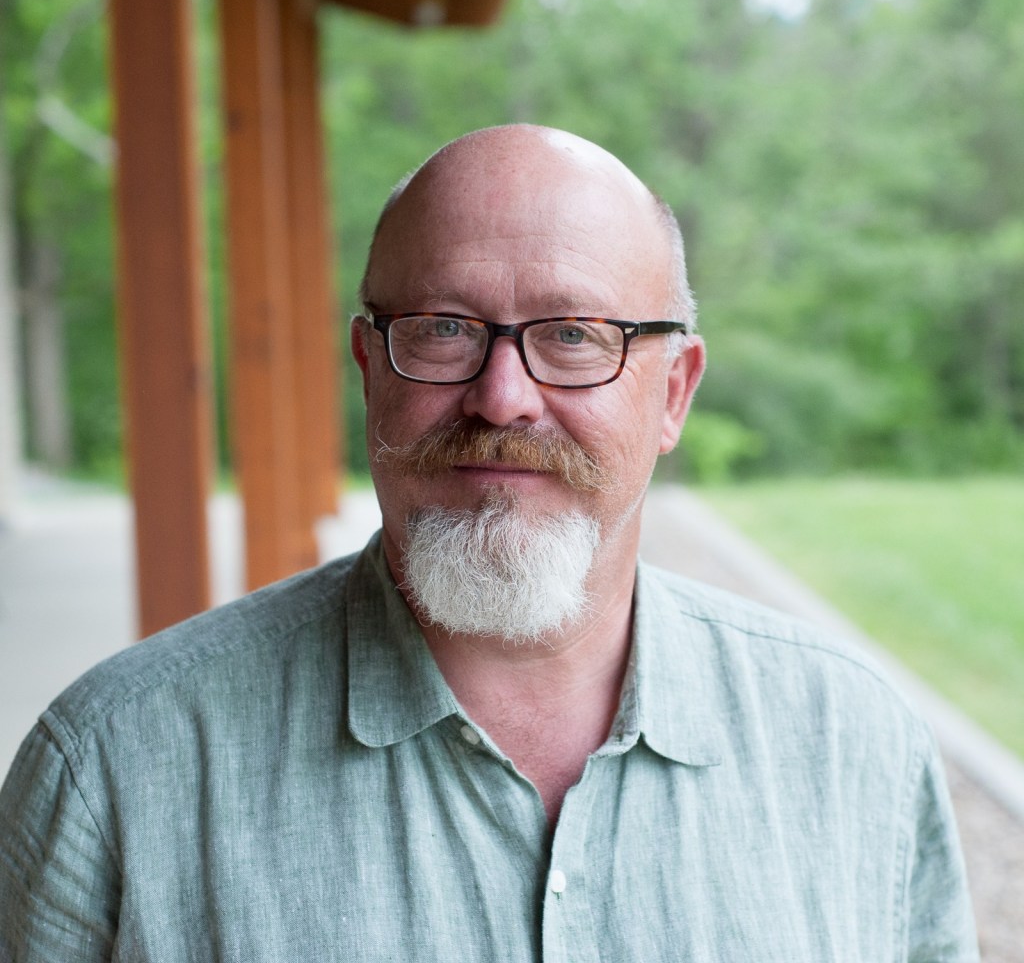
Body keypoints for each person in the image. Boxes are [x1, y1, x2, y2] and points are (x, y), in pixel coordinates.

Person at [0, 125, 977, 961]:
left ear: (673, 392)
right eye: (441, 328)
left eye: (575, 335)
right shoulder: (116, 770)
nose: (502, 396)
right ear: (368, 366)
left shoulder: (852, 744)